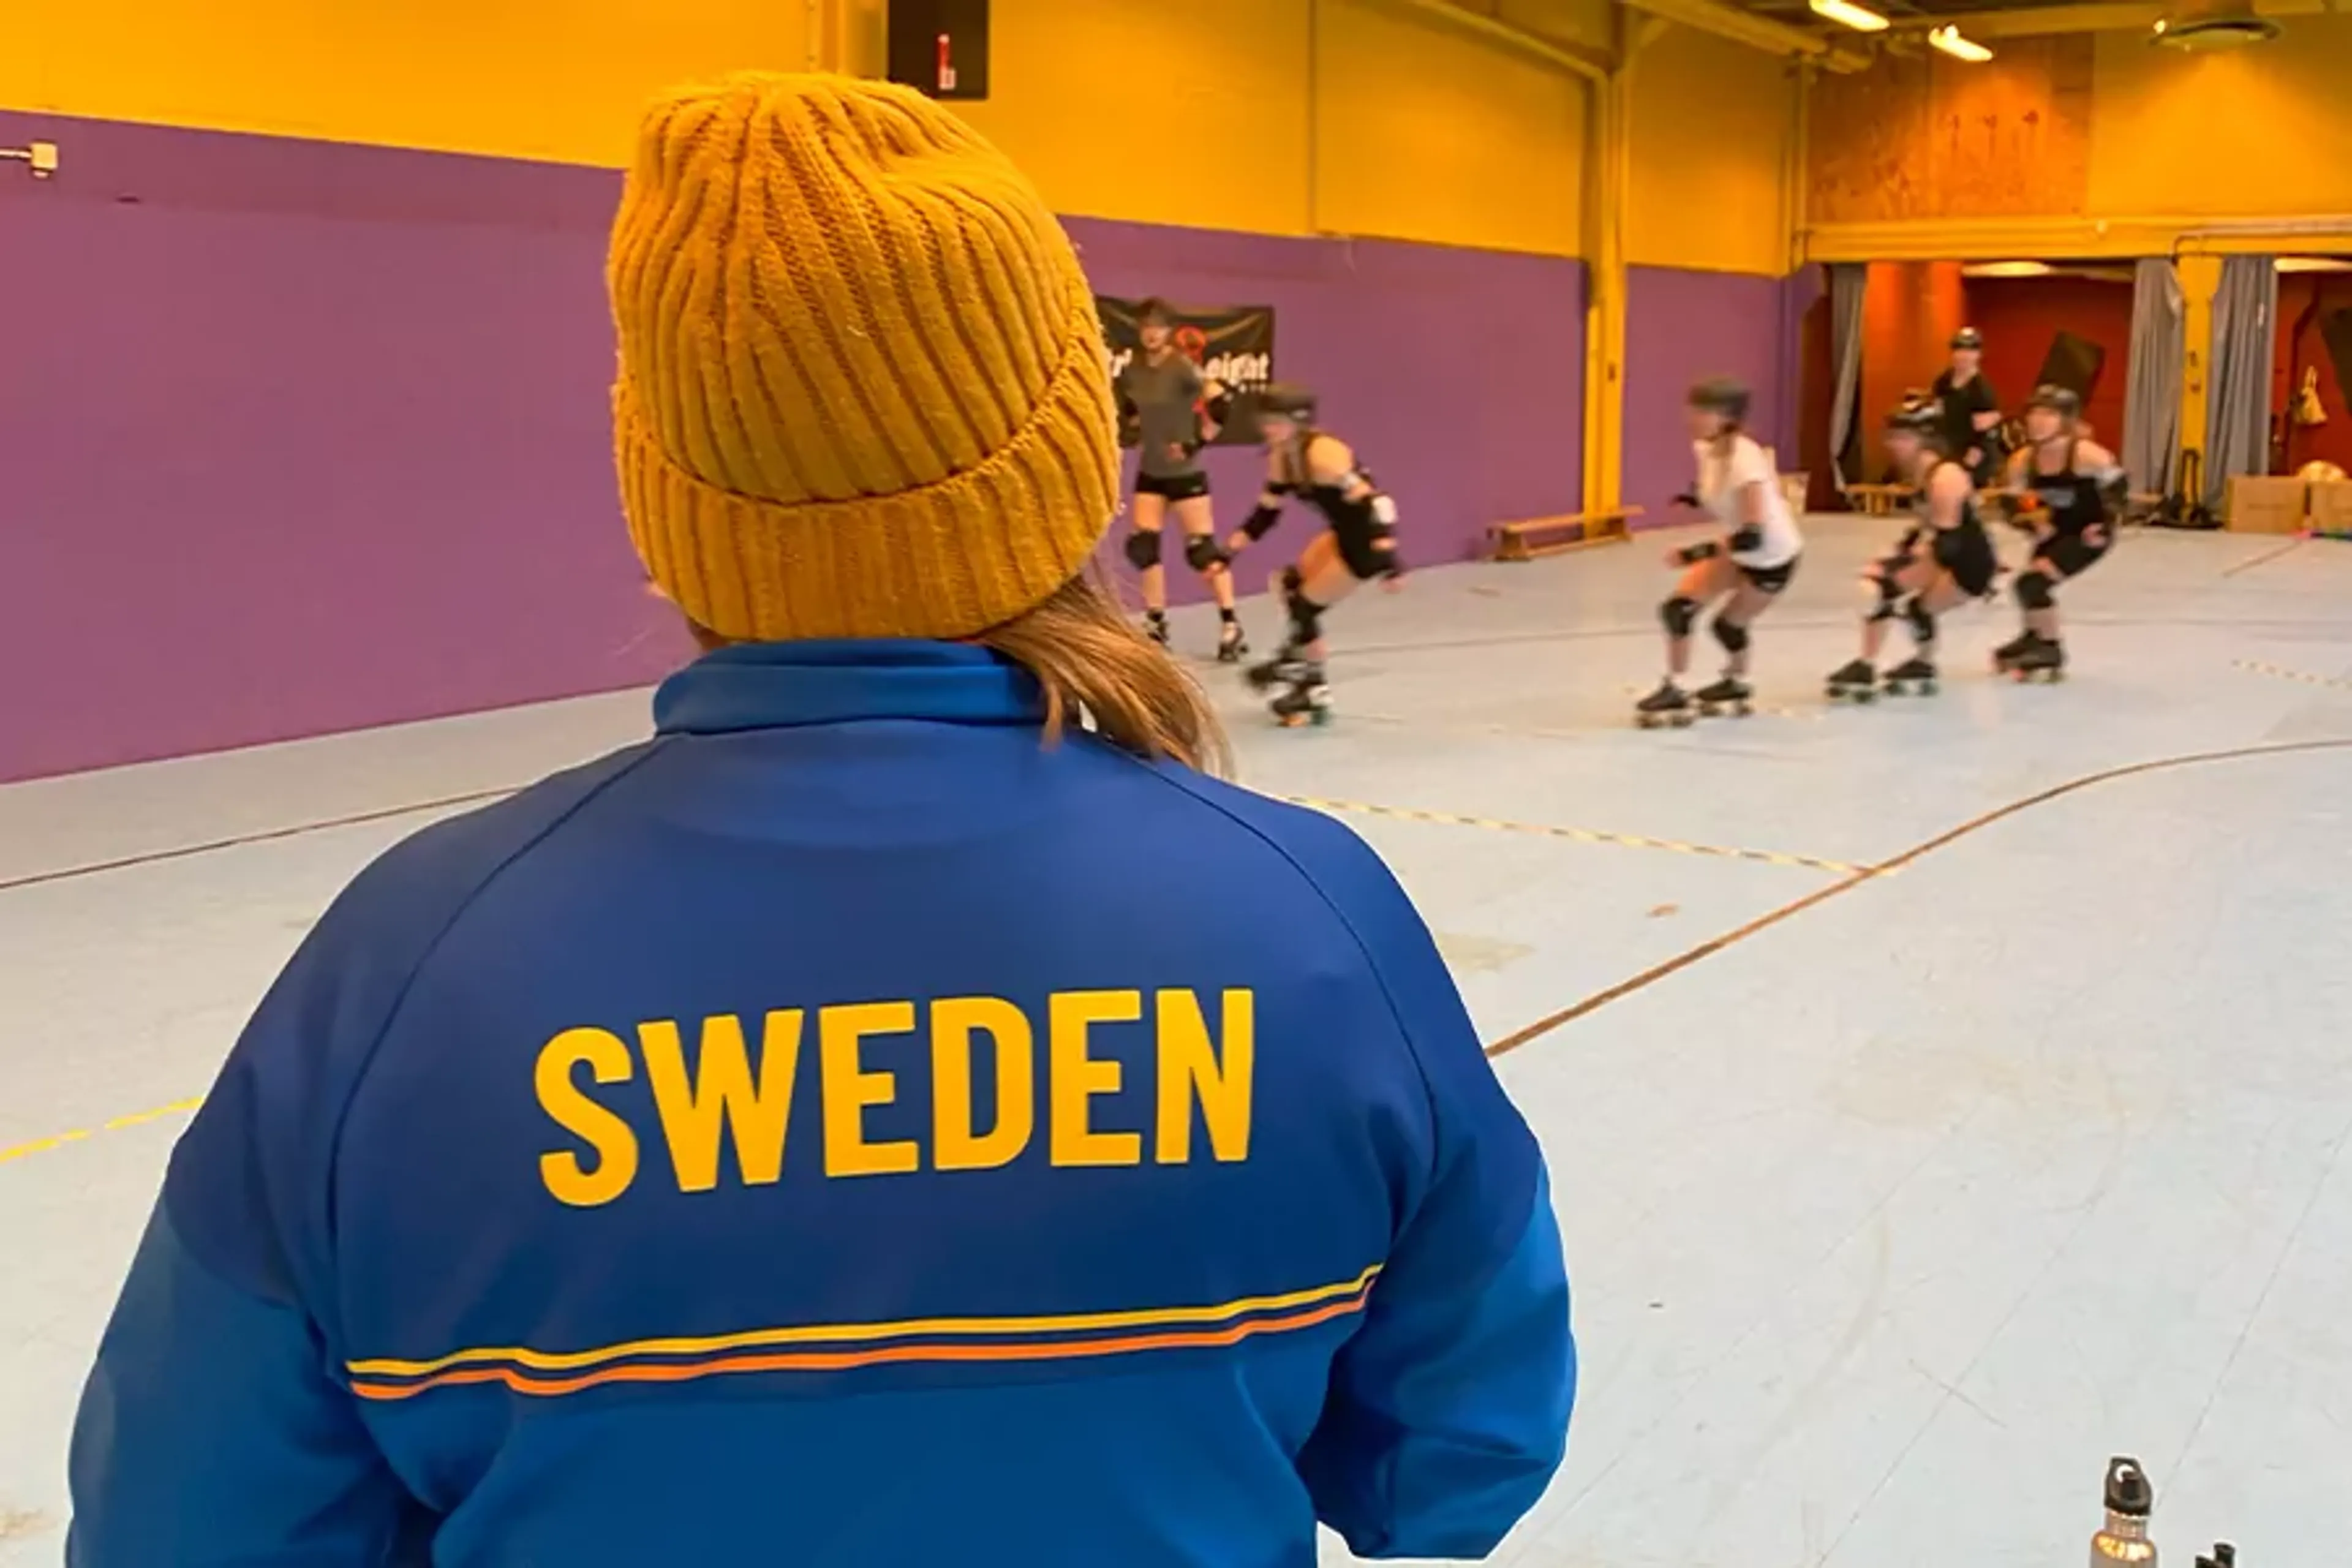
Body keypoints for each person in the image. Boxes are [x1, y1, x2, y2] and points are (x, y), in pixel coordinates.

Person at [66, 75, 1574, 1568]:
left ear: (665, 490)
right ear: (1064, 473)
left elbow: (182, 1522)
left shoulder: (406, 962)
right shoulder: (1310, 913)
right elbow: (1455, 1461)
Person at [1225, 383, 1405, 726]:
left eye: (1276, 421)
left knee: (1305, 607)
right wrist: (1229, 550)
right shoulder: (1282, 458)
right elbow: (1267, 512)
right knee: (1288, 583)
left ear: (1299, 422)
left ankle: (1312, 685)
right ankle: (1295, 662)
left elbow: (1377, 503)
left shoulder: (1324, 455)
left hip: (1364, 543)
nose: (1268, 428)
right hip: (1341, 534)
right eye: (1265, 420)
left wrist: (1389, 559)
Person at [1635, 376, 1806, 727]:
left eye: (1702, 412)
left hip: (1773, 556)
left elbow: (1752, 537)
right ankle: (1676, 687)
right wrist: (1694, 498)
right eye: (1692, 409)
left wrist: (1694, 553)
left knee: (1728, 626)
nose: (1691, 418)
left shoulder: (1747, 461)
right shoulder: (1707, 447)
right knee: (1678, 610)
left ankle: (1736, 682)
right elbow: (1716, 489)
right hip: (1741, 547)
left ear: (1726, 417)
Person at [1828, 391, 2001, 701]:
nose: (1893, 444)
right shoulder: (1922, 472)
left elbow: (1949, 543)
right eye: (1892, 435)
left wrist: (1900, 567)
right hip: (1957, 553)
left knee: (1880, 591)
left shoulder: (1945, 476)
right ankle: (1922, 663)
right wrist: (1903, 550)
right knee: (1914, 607)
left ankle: (1866, 666)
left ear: (1926, 438)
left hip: (1969, 561)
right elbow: (1929, 524)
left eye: (1902, 437)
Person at [1115, 299, 1247, 662]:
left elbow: (1222, 403)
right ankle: (1157, 623)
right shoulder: (1135, 371)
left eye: (1159, 326)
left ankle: (1231, 623)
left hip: (1185, 473)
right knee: (1144, 547)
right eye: (1146, 326)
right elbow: (1129, 408)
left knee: (1201, 551)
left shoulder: (1182, 368)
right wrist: (1134, 428)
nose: (1152, 333)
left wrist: (1196, 443)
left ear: (1170, 331)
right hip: (1151, 470)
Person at [1991, 383, 2126, 679]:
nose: (2039, 421)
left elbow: (2118, 490)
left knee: (2033, 584)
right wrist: (2032, 522)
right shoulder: (2023, 460)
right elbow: (2012, 504)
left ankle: (2050, 647)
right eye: (2035, 413)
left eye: (2049, 414)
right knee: (2025, 586)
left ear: (2066, 420)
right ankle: (2033, 635)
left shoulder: (2086, 454)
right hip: (2053, 530)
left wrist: (2106, 523)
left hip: (2088, 533)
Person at [1931, 327, 2005, 486]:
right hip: (1949, 450)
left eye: (1970, 351)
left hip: (1974, 458)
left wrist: (1966, 467)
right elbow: (1938, 417)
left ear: (1979, 355)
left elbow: (1985, 437)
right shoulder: (1943, 382)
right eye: (1959, 350)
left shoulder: (1981, 390)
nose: (1963, 356)